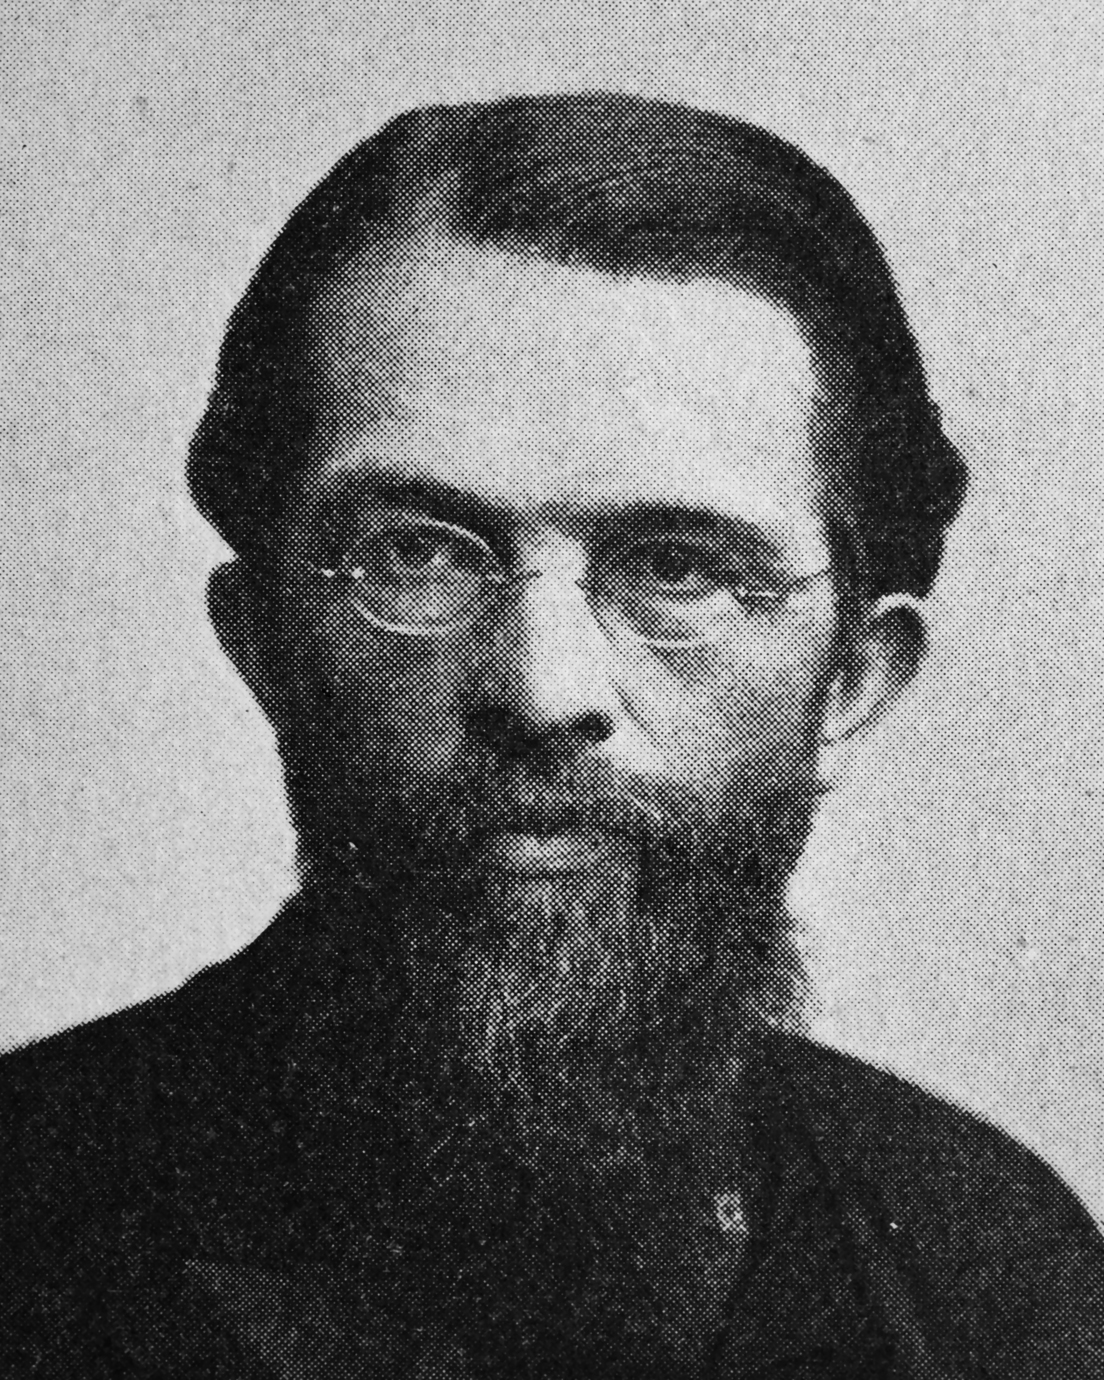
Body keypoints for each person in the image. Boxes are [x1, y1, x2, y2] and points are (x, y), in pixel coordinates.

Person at [1, 93, 1101, 1379]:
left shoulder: (991, 1275)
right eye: (416, 554)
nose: (540, 688)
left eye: (678, 568)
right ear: (264, 644)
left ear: (852, 682)